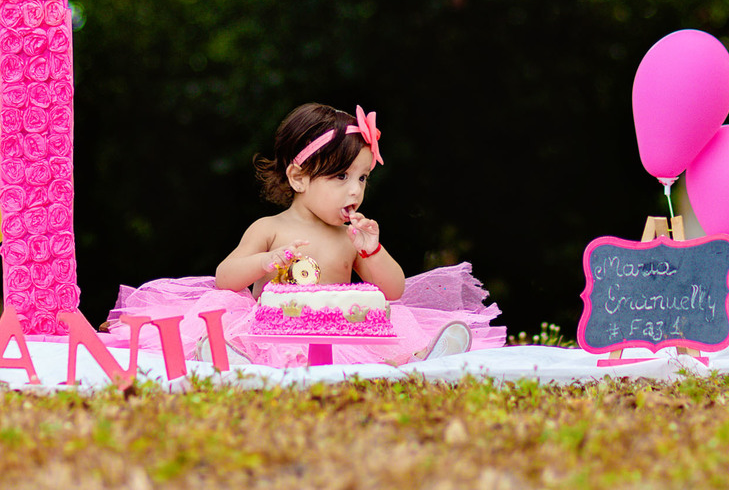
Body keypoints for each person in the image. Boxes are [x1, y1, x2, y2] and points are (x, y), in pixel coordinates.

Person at [107, 103, 506, 367]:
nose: (355, 191)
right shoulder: (270, 228)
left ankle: (418, 358)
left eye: (362, 178)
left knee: (391, 325)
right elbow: (225, 278)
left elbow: (394, 290)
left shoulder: (349, 237)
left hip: (341, 333)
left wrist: (372, 251)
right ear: (299, 177)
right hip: (272, 331)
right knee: (242, 331)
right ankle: (235, 360)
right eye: (341, 177)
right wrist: (265, 262)